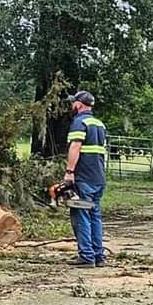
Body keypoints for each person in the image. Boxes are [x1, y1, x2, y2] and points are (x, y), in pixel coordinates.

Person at [64, 90, 107, 266]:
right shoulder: (99, 124)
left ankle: (86, 256)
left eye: (73, 102)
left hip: (84, 177)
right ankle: (98, 256)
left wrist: (69, 172)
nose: (72, 105)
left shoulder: (79, 122)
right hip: (98, 178)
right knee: (94, 216)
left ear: (79, 104)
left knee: (81, 214)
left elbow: (75, 147)